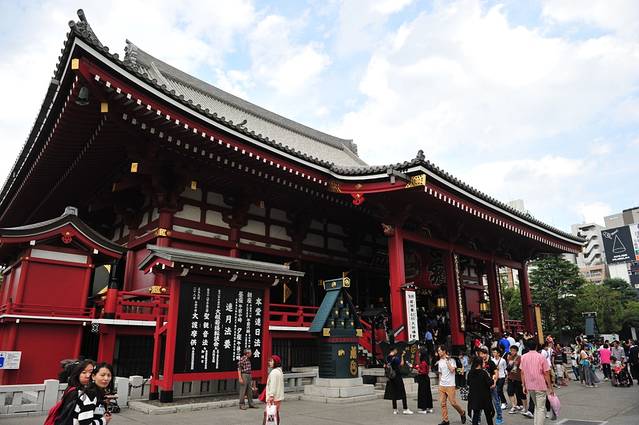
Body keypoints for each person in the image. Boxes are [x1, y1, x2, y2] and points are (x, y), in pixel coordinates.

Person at [520, 338, 554, 425]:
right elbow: (546, 373)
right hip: (540, 385)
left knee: (537, 406)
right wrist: (550, 387)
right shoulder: (541, 357)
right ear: (536, 346)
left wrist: (523, 385)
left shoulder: (523, 357)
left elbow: (522, 372)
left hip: (530, 385)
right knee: (541, 408)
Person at [436, 345, 467, 425]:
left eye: (439, 351)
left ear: (444, 351)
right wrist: (439, 384)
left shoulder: (451, 360)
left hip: (450, 385)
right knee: (442, 404)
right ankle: (446, 420)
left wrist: (447, 361)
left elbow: (452, 370)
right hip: (442, 385)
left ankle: (462, 412)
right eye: (438, 351)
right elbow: (440, 373)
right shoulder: (440, 361)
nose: (438, 352)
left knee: (453, 403)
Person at [384, 347, 413, 415]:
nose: (397, 351)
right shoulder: (395, 358)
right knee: (403, 392)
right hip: (397, 377)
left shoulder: (387, 358)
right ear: (394, 350)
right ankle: (405, 409)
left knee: (393, 393)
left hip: (391, 377)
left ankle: (395, 409)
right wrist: (402, 356)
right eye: (396, 350)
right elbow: (401, 364)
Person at [467, 355, 494, 425]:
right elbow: (490, 383)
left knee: (476, 414)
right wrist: (492, 378)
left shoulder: (470, 372)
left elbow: (468, 383)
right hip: (484, 397)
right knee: (488, 414)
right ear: (480, 363)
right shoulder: (483, 373)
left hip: (475, 397)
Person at [478, 347, 502, 425]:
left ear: (487, 354)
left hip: (491, 385)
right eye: (481, 354)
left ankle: (499, 417)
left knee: (496, 402)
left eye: (484, 354)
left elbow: (496, 373)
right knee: (480, 402)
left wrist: (494, 383)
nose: (483, 355)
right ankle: (478, 418)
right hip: (482, 387)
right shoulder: (478, 363)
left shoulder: (491, 363)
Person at [264, 355, 284, 424]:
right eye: (269, 361)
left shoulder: (274, 372)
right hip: (278, 396)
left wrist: (271, 396)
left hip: (273, 397)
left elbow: (273, 385)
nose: (269, 363)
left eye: (271, 361)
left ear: (276, 362)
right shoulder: (279, 371)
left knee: (269, 413)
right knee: (275, 413)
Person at [506, 345, 526, 414]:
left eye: (514, 351)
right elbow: (508, 368)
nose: (512, 352)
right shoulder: (509, 357)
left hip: (518, 378)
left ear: (517, 351)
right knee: (510, 391)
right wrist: (507, 375)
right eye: (511, 351)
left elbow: (522, 369)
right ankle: (514, 406)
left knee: (520, 393)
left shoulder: (520, 358)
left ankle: (524, 407)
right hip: (511, 377)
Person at [414, 348, 434, 414]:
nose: (419, 354)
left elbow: (423, 372)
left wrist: (418, 369)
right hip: (426, 379)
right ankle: (429, 407)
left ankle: (424, 409)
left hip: (423, 379)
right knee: (428, 393)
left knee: (423, 393)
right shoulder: (427, 361)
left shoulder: (423, 362)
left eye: (420, 353)